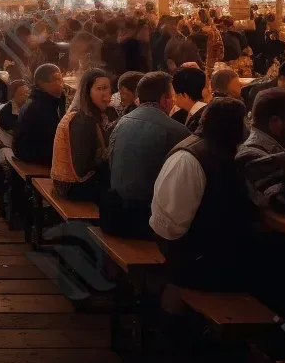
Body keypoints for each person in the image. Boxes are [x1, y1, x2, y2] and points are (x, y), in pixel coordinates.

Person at [150, 97, 255, 289]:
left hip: (200, 253)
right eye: (244, 123)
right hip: (193, 260)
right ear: (231, 126)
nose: (247, 129)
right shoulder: (190, 158)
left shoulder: (215, 151)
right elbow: (170, 230)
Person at [103, 71, 190, 238]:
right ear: (165, 99)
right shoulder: (176, 131)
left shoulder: (122, 122)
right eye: (171, 97)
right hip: (145, 221)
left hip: (114, 214)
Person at [51, 67, 115, 201]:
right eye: (100, 89)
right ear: (87, 92)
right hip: (71, 185)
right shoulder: (82, 120)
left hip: (75, 182)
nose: (106, 94)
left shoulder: (94, 115)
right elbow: (81, 169)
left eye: (107, 88)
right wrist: (108, 155)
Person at [11, 63, 66, 165]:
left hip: (31, 153)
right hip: (33, 158)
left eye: (61, 79)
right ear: (42, 83)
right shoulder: (39, 107)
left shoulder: (41, 99)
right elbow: (53, 140)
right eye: (57, 79)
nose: (62, 83)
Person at [169, 65, 208, 132]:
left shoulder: (201, 120)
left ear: (184, 95)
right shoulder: (181, 114)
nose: (173, 98)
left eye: (175, 94)